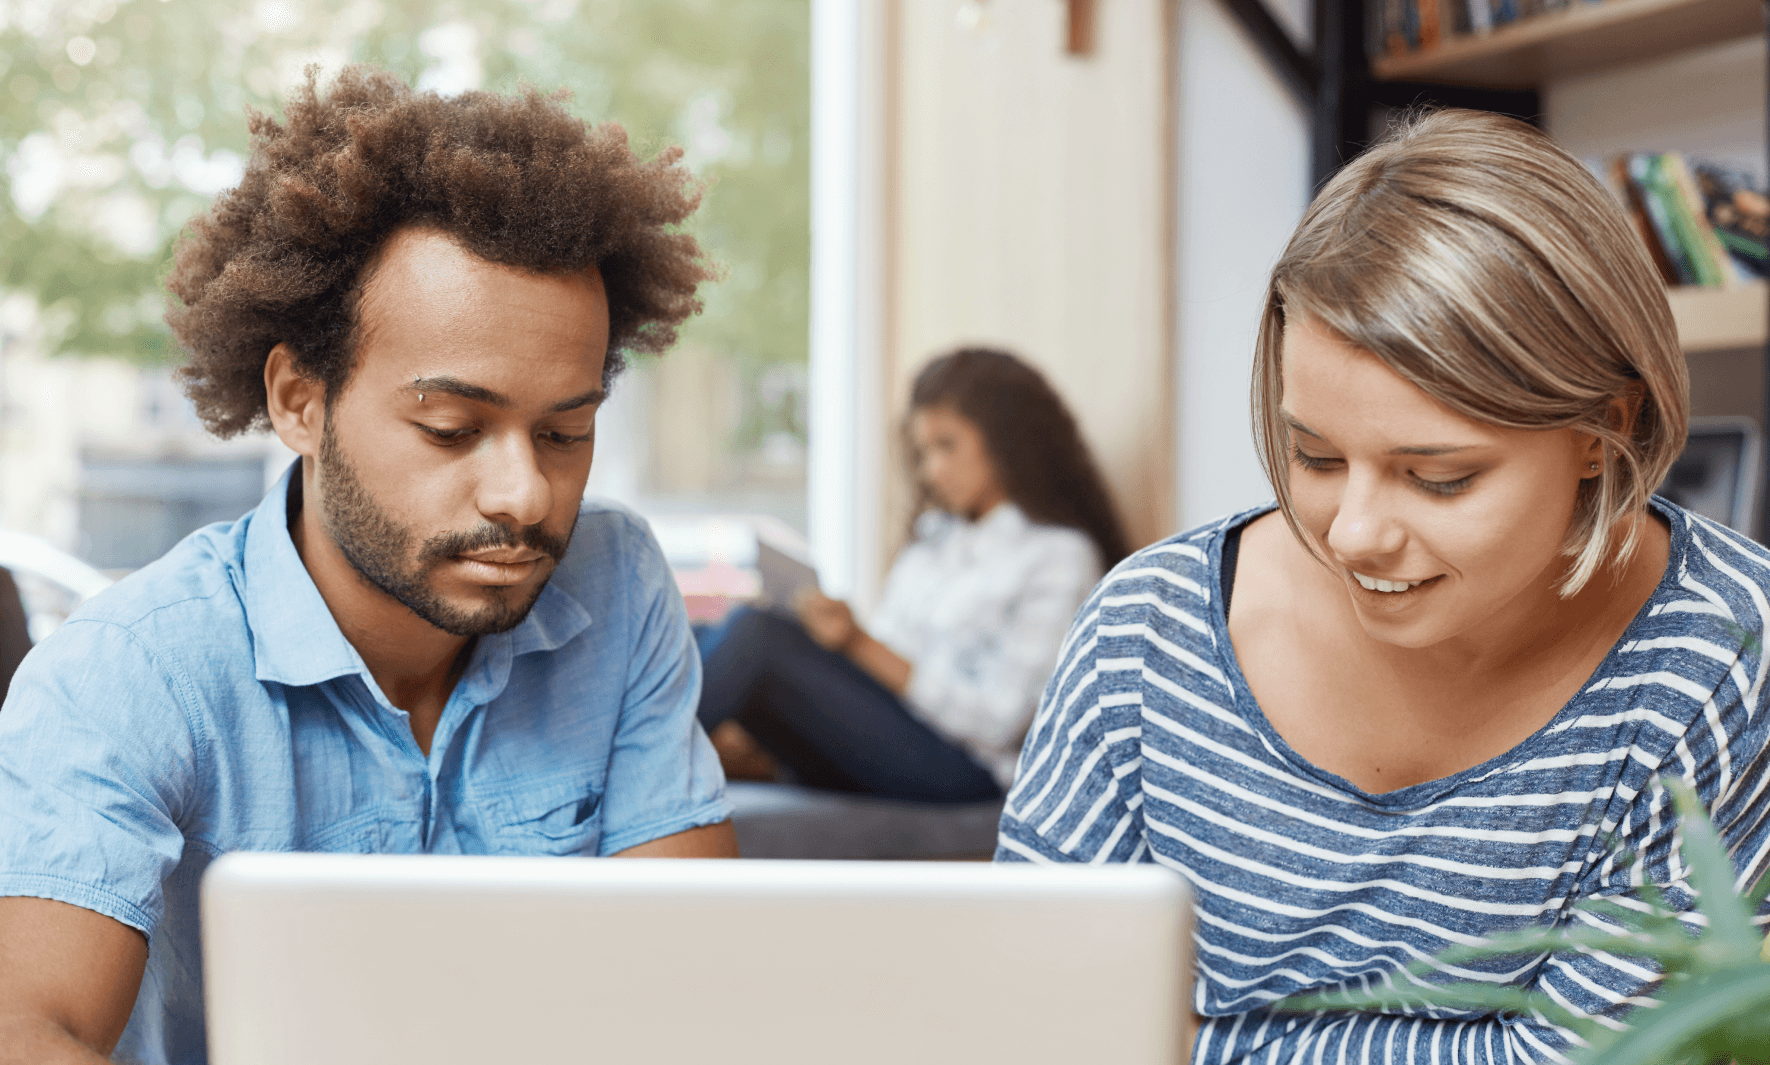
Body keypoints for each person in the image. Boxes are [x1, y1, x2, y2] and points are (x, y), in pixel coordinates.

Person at [998, 109, 1770, 1063]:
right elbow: (1030, 1015)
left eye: (1438, 476)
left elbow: (1601, 1056)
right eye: (1314, 456)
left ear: (1600, 427)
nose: (1354, 533)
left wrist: (1208, 1039)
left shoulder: (1723, 654)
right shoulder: (1144, 634)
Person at [0, 67, 737, 1065]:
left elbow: (692, 993)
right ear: (300, 400)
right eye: (451, 428)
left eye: (565, 433)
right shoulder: (128, 672)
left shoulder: (617, 583)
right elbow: (31, 1031)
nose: (522, 495)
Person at [698, 348, 1129, 802]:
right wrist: (842, 643)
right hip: (889, 729)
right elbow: (888, 650)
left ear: (1008, 439)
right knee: (707, 632)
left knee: (755, 636)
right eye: (923, 452)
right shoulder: (936, 539)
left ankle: (625, 778)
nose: (931, 470)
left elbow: (1002, 720)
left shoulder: (1058, 556)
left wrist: (858, 643)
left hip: (964, 764)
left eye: (947, 445)